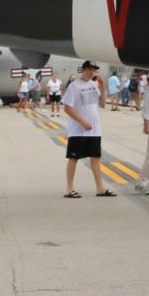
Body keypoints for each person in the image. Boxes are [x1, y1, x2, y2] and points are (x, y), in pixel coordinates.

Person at [63, 61, 112, 198]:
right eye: (89, 69)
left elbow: (102, 104)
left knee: (95, 158)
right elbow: (67, 108)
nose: (92, 72)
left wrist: (102, 86)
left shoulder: (93, 85)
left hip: (95, 130)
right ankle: (69, 188)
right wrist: (82, 122)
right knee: (74, 158)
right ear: (83, 70)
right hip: (78, 130)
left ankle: (100, 188)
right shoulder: (74, 86)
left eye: (94, 70)